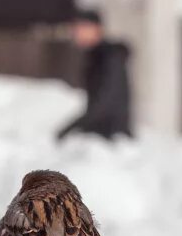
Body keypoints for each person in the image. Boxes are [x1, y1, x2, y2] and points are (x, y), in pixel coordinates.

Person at [57, 10, 132, 140]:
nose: (76, 33)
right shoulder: (95, 57)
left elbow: (106, 101)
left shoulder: (109, 57)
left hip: (111, 137)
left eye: (81, 28)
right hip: (101, 135)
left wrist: (74, 128)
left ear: (96, 29)